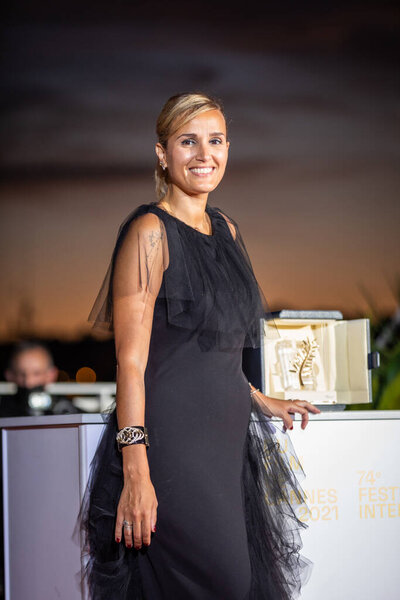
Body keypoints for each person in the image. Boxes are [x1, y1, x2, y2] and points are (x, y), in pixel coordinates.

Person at [77, 92, 321, 600]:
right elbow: (131, 362)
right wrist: (136, 471)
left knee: (233, 582)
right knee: (223, 581)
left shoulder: (227, 231)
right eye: (188, 141)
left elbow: (217, 351)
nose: (204, 154)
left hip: (226, 443)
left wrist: (259, 398)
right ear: (163, 154)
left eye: (215, 141)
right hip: (171, 443)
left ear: (228, 149)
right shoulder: (149, 233)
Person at [0, 340, 80, 417]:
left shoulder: (63, 409)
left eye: (37, 373)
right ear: (9, 375)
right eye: (21, 374)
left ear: (52, 375)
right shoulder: (3, 410)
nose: (28, 382)